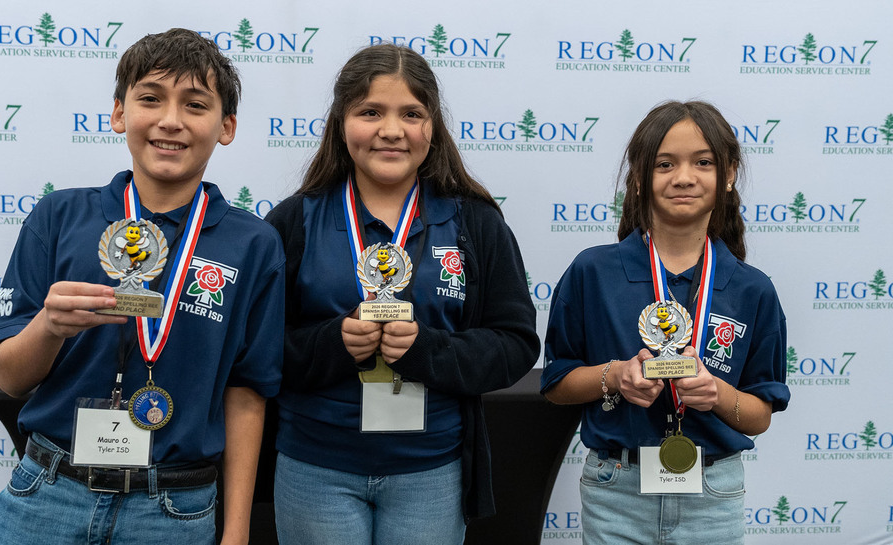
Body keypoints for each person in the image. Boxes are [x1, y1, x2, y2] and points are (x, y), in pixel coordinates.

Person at [0, 28, 283, 545]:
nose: (170, 120)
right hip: (47, 494)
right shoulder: (59, 216)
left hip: (174, 508)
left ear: (226, 126)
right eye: (150, 99)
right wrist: (49, 326)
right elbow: (10, 379)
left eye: (195, 104)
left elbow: (247, 395)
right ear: (120, 112)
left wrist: (236, 533)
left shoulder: (252, 244)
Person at [264, 43, 539, 544]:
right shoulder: (293, 221)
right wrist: (334, 343)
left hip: (431, 471)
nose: (391, 130)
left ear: (431, 127)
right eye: (370, 112)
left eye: (411, 114)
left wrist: (426, 350)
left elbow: (515, 344)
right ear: (341, 121)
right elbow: (255, 350)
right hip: (315, 467)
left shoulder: (475, 223)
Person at [540, 100, 790, 543]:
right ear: (639, 177)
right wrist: (616, 376)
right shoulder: (592, 273)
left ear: (728, 175)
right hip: (616, 490)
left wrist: (715, 394)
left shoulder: (752, 289)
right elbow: (557, 384)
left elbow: (759, 416)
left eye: (704, 162)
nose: (684, 177)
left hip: (713, 497)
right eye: (665, 164)